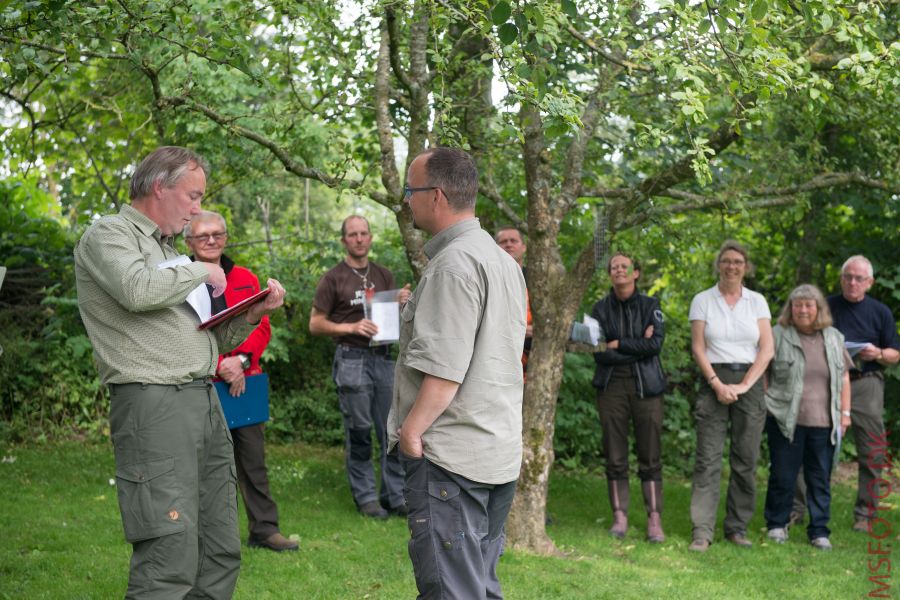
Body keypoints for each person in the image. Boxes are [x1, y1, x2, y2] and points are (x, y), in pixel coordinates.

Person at [74, 146, 286, 598]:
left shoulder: (169, 251)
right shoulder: (109, 235)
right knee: (168, 552)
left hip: (204, 399)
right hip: (153, 402)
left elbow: (206, 340)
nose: (196, 210)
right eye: (192, 197)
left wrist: (250, 315)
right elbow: (136, 289)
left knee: (219, 546)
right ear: (159, 187)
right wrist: (199, 269)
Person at [387, 147, 527, 599]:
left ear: (438, 195)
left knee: (451, 591)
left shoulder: (453, 265)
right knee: (478, 587)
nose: (407, 201)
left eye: (411, 191)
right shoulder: (502, 261)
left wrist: (411, 435)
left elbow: (445, 372)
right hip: (495, 452)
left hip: (452, 458)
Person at [185, 210, 298, 552]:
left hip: (243, 383)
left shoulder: (247, 278)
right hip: (199, 381)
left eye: (217, 234)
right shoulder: (177, 278)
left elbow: (261, 324)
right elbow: (182, 331)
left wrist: (241, 361)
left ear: (226, 237)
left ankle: (264, 530)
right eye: (203, 235)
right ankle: (204, 535)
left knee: (253, 460)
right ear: (188, 241)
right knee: (201, 462)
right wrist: (220, 364)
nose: (211, 241)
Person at [789, 256, 900, 532]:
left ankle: (866, 514)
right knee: (809, 446)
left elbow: (895, 355)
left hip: (866, 383)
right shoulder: (825, 306)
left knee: (872, 449)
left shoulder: (881, 312)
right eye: (848, 276)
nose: (853, 282)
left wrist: (878, 353)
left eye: (859, 278)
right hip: (824, 383)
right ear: (841, 279)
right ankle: (796, 510)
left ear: (870, 283)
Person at [309, 215, 409, 519]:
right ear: (344, 241)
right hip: (352, 359)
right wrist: (352, 327)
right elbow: (315, 324)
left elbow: (390, 319)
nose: (359, 238)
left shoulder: (384, 274)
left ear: (371, 238)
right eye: (352, 234)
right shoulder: (333, 278)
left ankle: (394, 496)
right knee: (360, 431)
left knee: (392, 430)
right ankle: (366, 498)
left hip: (383, 358)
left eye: (364, 233)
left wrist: (401, 302)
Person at [687, 240, 774, 552]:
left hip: (749, 384)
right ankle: (702, 530)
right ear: (718, 265)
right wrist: (716, 383)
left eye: (738, 261)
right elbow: (698, 346)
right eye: (726, 261)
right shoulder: (703, 300)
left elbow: (767, 348)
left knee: (745, 459)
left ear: (746, 267)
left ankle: (737, 528)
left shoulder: (757, 302)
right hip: (714, 380)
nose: (732, 266)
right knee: (707, 459)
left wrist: (744, 385)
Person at [763, 284, 852, 551]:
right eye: (797, 305)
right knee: (782, 475)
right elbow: (763, 371)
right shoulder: (777, 335)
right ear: (790, 309)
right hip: (785, 420)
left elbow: (845, 376)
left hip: (825, 423)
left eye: (808, 305)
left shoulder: (834, 337)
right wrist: (769, 403)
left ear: (818, 309)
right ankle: (777, 525)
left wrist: (845, 414)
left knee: (819, 479)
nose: (802, 310)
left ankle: (819, 531)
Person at [590, 252, 667, 543]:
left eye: (624, 266)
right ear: (610, 274)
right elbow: (598, 351)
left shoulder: (651, 305)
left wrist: (619, 342)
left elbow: (655, 345)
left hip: (647, 387)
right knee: (615, 453)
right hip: (611, 387)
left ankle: (654, 519)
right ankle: (619, 516)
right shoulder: (599, 309)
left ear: (635, 272)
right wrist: (639, 343)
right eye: (614, 267)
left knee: (650, 454)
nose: (619, 270)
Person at [495, 225, 533, 375]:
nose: (508, 244)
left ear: (523, 247)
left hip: (532, 362)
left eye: (513, 241)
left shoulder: (537, 279)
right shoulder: (488, 278)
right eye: (503, 242)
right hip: (497, 359)